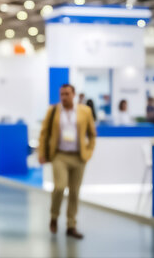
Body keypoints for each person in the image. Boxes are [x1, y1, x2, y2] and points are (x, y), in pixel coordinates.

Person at [38, 84, 96, 240]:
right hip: (60, 156)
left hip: (79, 157)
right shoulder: (53, 111)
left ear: (74, 94)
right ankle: (54, 216)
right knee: (59, 187)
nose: (64, 97)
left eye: (67, 94)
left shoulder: (85, 111)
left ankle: (71, 225)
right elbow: (44, 133)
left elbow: (92, 134)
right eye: (61, 94)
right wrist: (42, 152)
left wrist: (89, 152)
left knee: (75, 192)